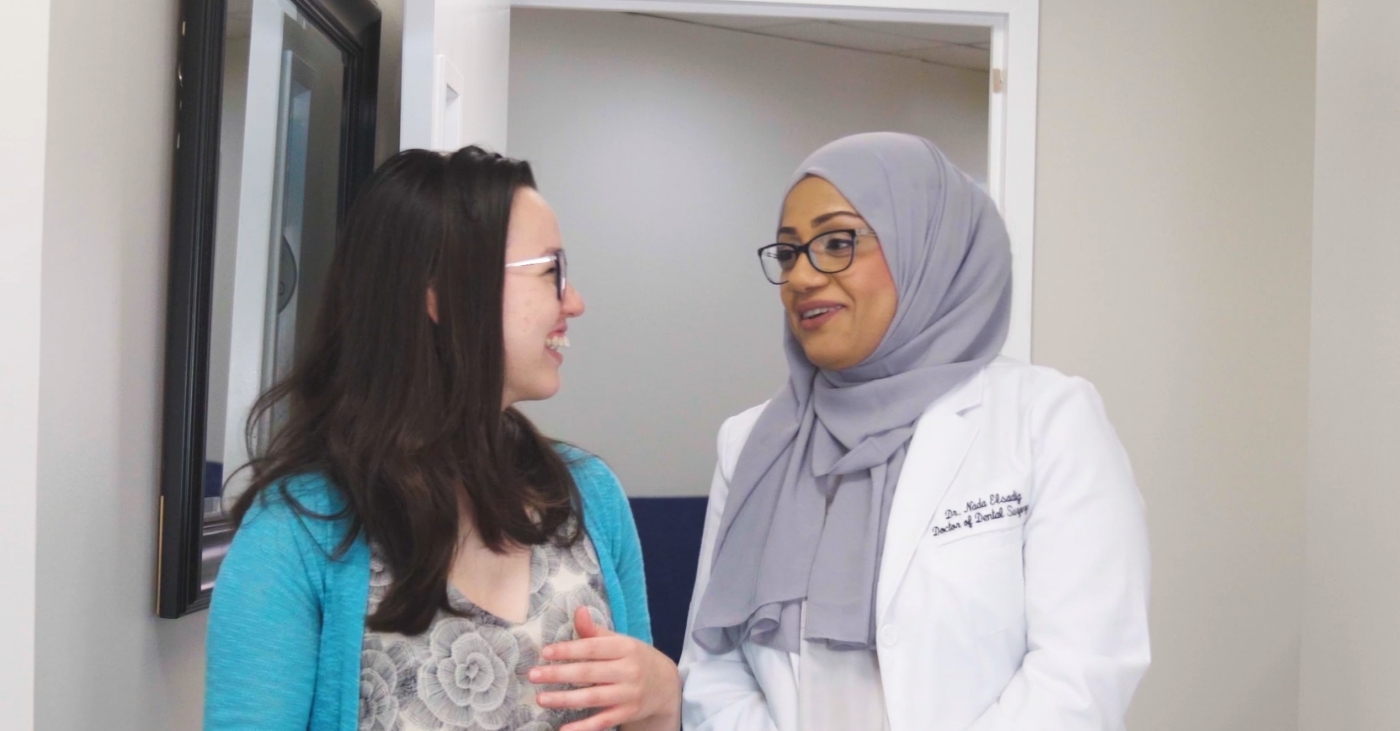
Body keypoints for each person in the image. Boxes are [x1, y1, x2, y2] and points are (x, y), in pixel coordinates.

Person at [679, 132, 1151, 731]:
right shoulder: (752, 443)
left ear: (928, 248)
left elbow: (1084, 671)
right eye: (791, 252)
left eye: (837, 241)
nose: (801, 277)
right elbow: (711, 666)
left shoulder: (1047, 420)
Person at [205, 147, 682, 731]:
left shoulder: (589, 497)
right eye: (551, 272)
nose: (574, 303)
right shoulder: (297, 533)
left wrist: (664, 697)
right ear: (443, 293)